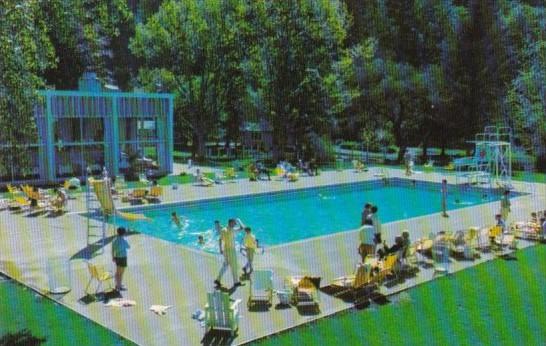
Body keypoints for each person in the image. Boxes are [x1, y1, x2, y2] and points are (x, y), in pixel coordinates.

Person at [215, 218, 245, 288]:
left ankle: (218, 279)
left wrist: (220, 249)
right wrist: (239, 220)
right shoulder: (232, 230)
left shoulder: (223, 230)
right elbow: (242, 228)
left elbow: (220, 240)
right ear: (231, 223)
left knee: (225, 265)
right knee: (234, 266)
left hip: (225, 250)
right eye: (234, 223)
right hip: (231, 251)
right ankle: (236, 282)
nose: (235, 224)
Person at [112, 227, 130, 291]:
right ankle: (119, 286)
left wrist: (113, 257)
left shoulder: (114, 240)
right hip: (123, 258)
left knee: (117, 272)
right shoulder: (124, 240)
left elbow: (112, 249)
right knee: (121, 273)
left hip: (117, 257)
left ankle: (117, 284)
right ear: (124, 233)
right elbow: (128, 247)